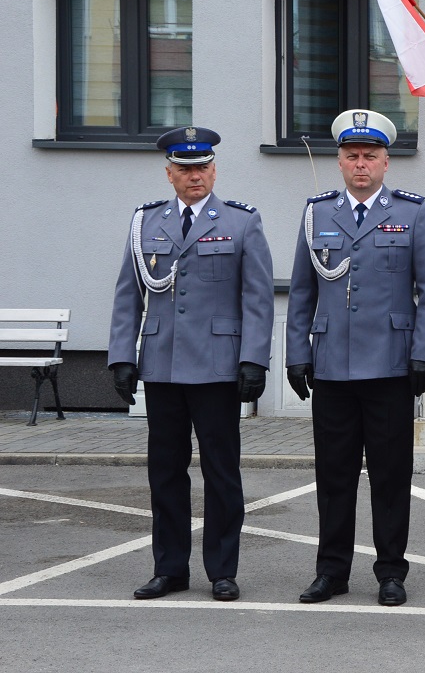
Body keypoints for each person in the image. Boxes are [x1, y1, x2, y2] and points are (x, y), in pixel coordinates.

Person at [285, 109, 425, 607]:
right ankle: (331, 571)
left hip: (390, 365)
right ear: (338, 161)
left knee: (390, 475)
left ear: (385, 162)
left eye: (370, 156)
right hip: (332, 364)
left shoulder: (412, 212)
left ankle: (391, 572)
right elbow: (302, 290)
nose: (361, 165)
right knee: (333, 475)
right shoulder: (318, 213)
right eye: (352, 156)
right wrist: (296, 353)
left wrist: (424, 355)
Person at [108, 127, 274, 603]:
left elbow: (258, 298)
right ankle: (170, 569)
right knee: (164, 472)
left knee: (222, 472)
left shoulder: (242, 222)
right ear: (170, 174)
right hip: (161, 367)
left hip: (219, 368)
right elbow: (127, 295)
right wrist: (122, 356)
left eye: (201, 167)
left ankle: (222, 570)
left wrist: (254, 361)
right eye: (184, 169)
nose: (193, 176)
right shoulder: (145, 223)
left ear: (214, 170)